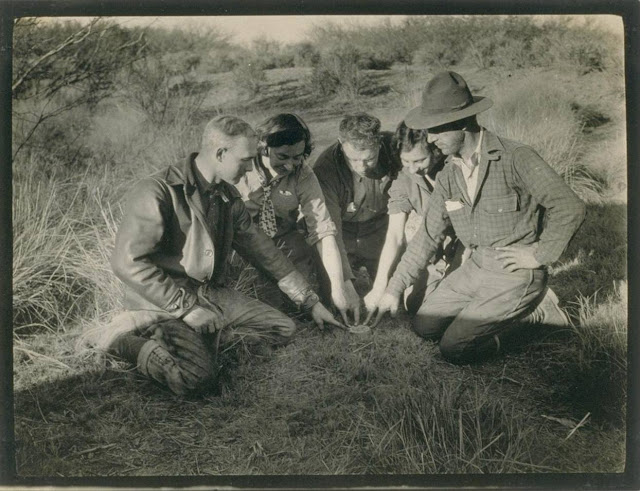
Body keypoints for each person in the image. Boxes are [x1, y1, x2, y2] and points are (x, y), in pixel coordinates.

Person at [90, 115, 341, 396]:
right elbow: (127, 261)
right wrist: (186, 309)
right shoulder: (156, 191)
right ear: (220, 153)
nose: (250, 170)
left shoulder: (227, 195)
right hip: (161, 302)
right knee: (196, 381)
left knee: (283, 329)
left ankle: (201, 341)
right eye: (245, 160)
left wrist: (310, 301)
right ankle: (121, 339)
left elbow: (262, 250)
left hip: (210, 294)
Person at [372, 71, 586, 364]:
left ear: (461, 123)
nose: (431, 139)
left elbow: (569, 206)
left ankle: (539, 314)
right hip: (475, 268)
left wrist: (539, 254)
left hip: (514, 273)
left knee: (455, 349)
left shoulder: (516, 157)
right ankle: (488, 313)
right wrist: (393, 289)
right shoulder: (450, 173)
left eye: (435, 130)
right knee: (424, 326)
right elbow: (427, 236)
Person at [235, 113, 360, 324]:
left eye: (297, 157)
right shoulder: (241, 167)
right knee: (261, 304)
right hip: (241, 244)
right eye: (282, 157)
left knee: (300, 304)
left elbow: (323, 231)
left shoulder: (303, 174)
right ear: (263, 147)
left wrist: (339, 288)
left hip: (284, 239)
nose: (290, 166)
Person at [364, 121, 462, 317]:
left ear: (436, 150)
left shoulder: (455, 169)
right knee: (415, 304)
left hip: (469, 246)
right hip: (437, 247)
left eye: (419, 161)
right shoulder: (405, 177)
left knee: (453, 301)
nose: (412, 169)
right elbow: (394, 235)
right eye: (406, 161)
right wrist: (379, 286)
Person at [312, 113, 401, 301]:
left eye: (369, 159)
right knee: (332, 294)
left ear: (378, 143)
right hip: (343, 232)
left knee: (397, 290)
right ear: (340, 143)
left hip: (380, 230)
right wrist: (344, 281)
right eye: (353, 159)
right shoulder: (325, 167)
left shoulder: (395, 148)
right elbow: (330, 229)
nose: (362, 167)